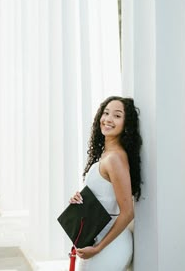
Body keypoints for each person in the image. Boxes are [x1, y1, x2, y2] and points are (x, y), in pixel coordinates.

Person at [69, 96, 142, 271]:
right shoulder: (106, 155)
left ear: (126, 125)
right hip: (96, 239)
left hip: (110, 244)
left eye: (117, 116)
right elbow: (105, 198)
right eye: (106, 113)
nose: (108, 119)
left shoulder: (115, 159)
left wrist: (98, 248)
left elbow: (127, 212)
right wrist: (80, 200)